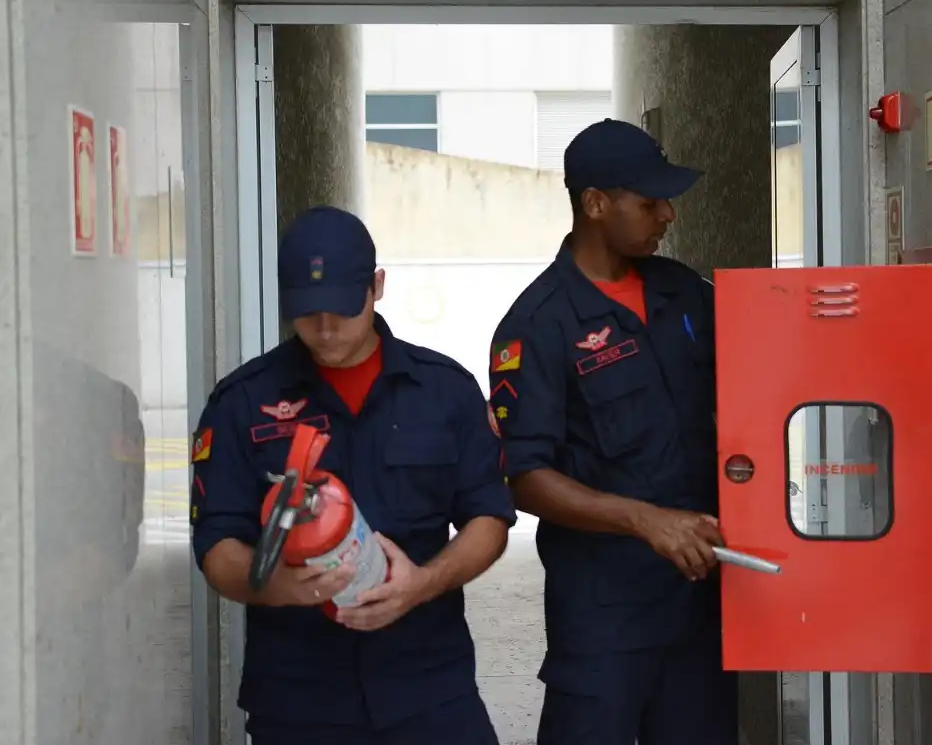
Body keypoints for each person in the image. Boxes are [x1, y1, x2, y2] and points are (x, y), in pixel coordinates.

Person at [189, 205, 515, 745]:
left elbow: (490, 518)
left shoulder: (443, 390)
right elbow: (216, 545)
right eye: (307, 311)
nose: (324, 328)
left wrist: (421, 585)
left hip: (429, 687)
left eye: (341, 308)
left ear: (377, 286)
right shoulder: (241, 403)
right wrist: (278, 587)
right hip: (299, 698)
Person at [488, 118, 737, 745]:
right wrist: (644, 520)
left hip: (699, 600)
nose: (668, 215)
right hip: (603, 615)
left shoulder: (683, 293)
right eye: (650, 202)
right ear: (595, 205)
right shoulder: (537, 325)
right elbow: (526, 478)